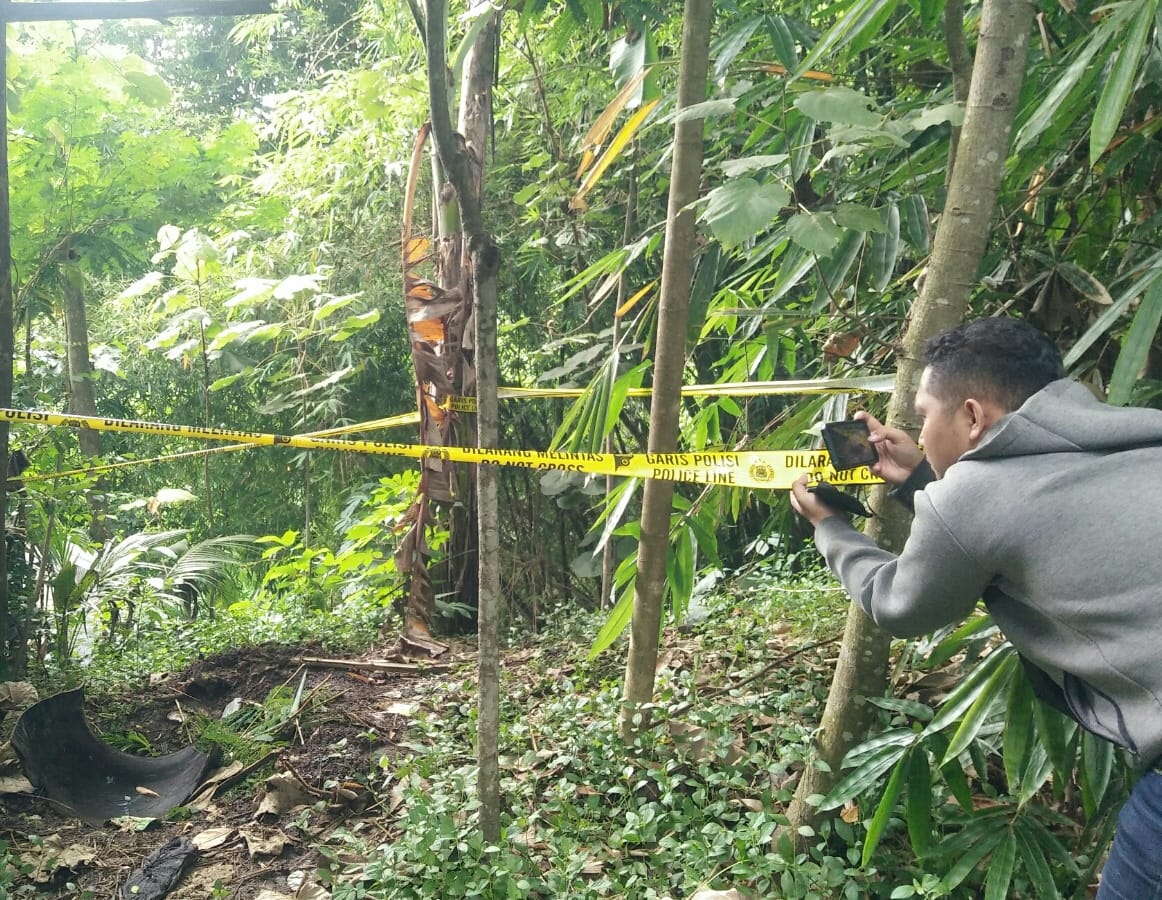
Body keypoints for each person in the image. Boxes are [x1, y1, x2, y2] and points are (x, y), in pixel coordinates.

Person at [789, 317, 1162, 900]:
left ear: (970, 416)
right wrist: (920, 477)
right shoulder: (1140, 435)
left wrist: (830, 527)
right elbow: (1020, 517)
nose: (919, 429)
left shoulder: (969, 497)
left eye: (923, 416)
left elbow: (898, 603)